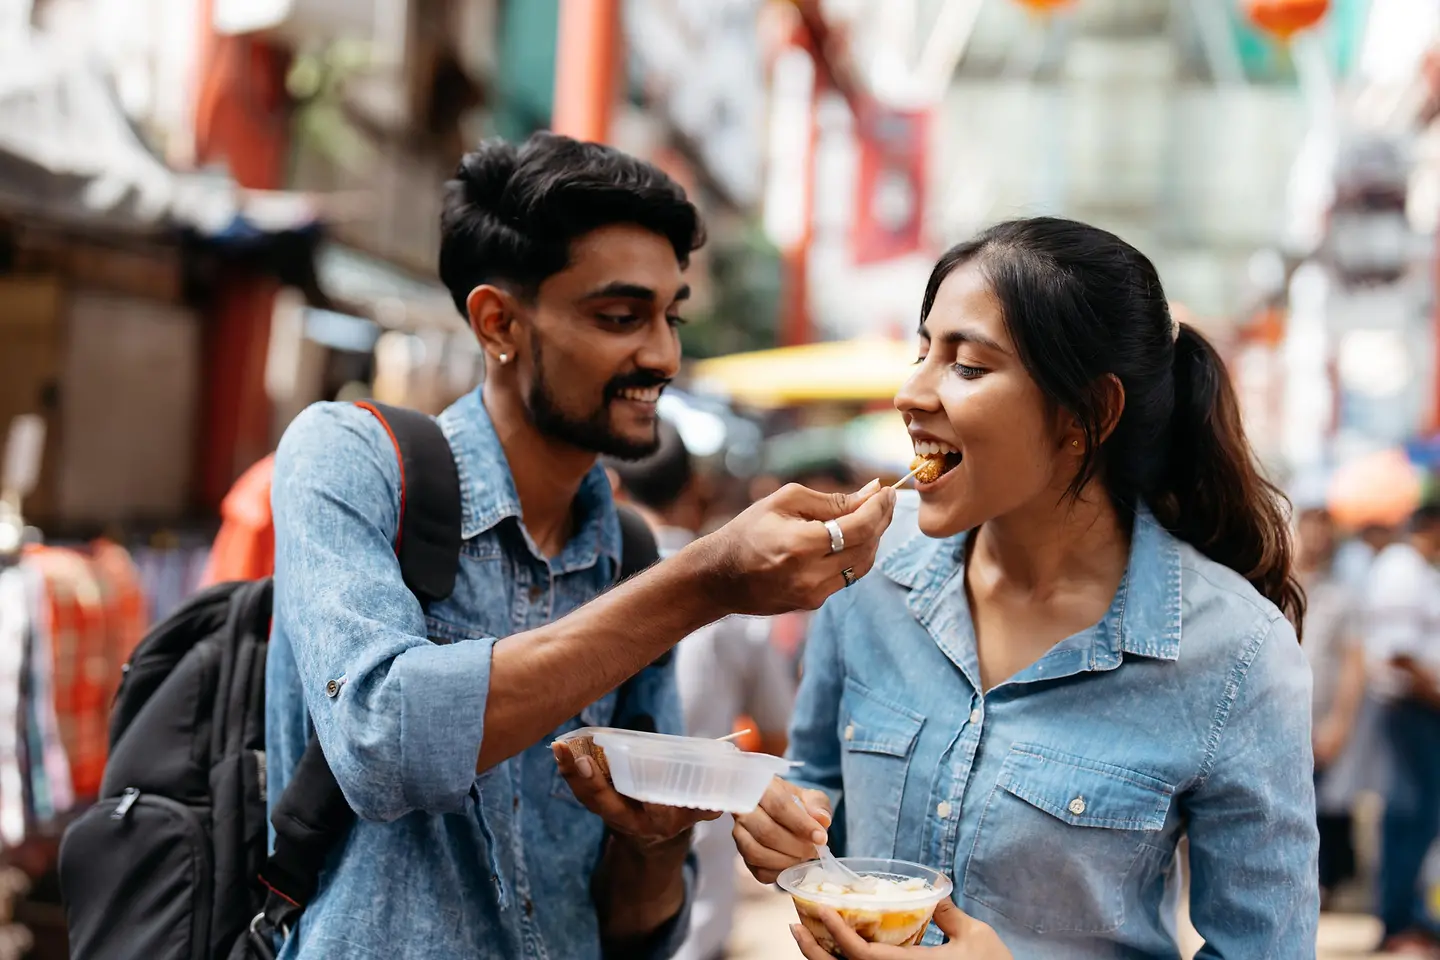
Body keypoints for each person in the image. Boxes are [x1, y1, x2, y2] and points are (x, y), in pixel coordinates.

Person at [265, 132, 896, 960]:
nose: (663, 356)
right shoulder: (349, 456)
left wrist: (659, 837)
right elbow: (384, 742)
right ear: (499, 322)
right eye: (620, 317)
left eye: (671, 317)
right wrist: (705, 581)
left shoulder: (626, 554)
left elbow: (634, 929)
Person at [733, 217, 1318, 959]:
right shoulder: (870, 566)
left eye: (968, 367)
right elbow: (817, 782)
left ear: (1089, 416)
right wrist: (791, 825)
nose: (911, 392)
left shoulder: (1236, 655)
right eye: (921, 353)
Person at [609, 422, 798, 960]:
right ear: (693, 487)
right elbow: (779, 733)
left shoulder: (584, 586)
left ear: (611, 487)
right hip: (700, 909)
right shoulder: (734, 591)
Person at [1364, 504, 1440, 955]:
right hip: (1410, 709)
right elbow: (1399, 653)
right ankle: (1397, 919)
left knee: (1420, 815)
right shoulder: (1400, 566)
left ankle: (1408, 914)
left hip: (1420, 710)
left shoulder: (1419, 569)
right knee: (1410, 814)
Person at [1295, 507, 1365, 908]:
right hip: (1280, 717)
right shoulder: (1276, 585)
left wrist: (1341, 721)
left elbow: (1355, 662)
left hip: (1321, 719)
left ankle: (1324, 884)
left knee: (1326, 807)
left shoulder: (1342, 596)